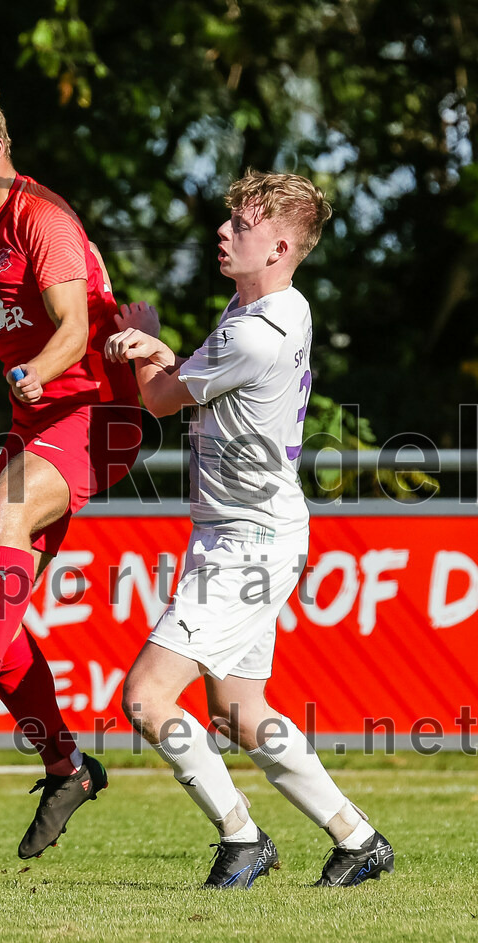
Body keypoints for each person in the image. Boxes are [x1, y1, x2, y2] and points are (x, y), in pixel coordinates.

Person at [105, 170, 394, 888]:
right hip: (248, 530)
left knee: (145, 696)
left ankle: (243, 838)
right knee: (238, 708)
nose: (224, 231)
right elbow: (196, 378)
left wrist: (140, 342)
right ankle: (358, 839)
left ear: (281, 245)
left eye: (242, 223)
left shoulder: (256, 330)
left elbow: (164, 401)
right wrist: (160, 355)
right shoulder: (275, 305)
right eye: (229, 218)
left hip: (248, 538)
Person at [0, 79, 143, 858]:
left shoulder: (41, 217)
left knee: (8, 518)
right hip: (37, 419)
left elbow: (75, 331)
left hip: (99, 415)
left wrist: (33, 370)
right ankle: (67, 764)